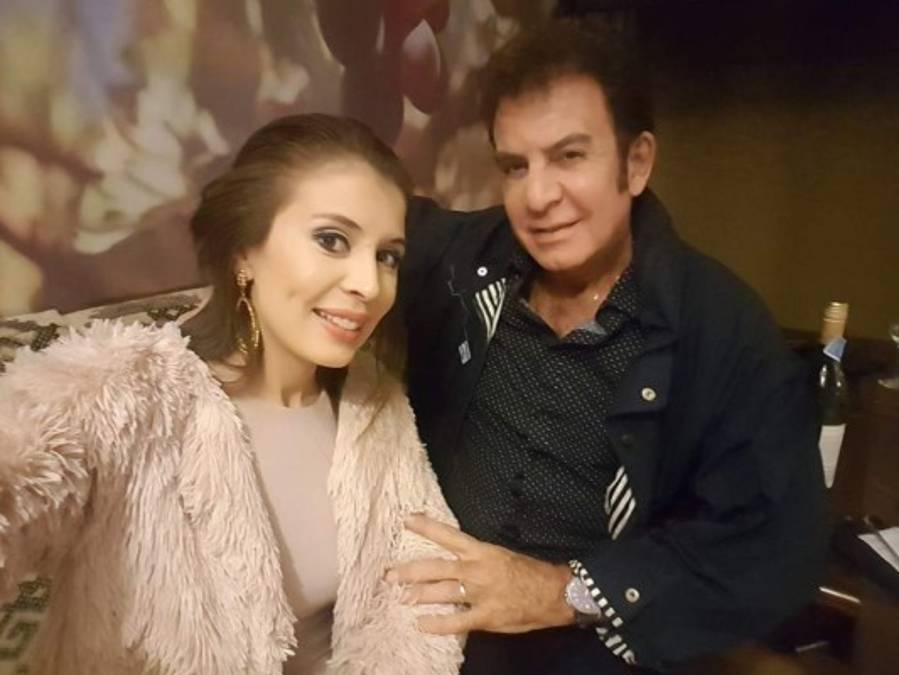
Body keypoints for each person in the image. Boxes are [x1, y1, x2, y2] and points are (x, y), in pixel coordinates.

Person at [389, 17, 827, 675]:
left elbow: (774, 545)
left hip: (596, 645)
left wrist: (561, 592)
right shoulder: (457, 261)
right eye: (515, 166)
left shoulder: (722, 330)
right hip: (425, 628)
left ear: (636, 162)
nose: (538, 196)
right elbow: (341, 207)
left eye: (569, 156)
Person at [0, 114, 463, 674]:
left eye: (387, 255)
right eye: (332, 240)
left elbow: (420, 588)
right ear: (245, 250)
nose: (369, 284)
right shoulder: (125, 392)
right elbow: (21, 460)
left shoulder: (374, 406)